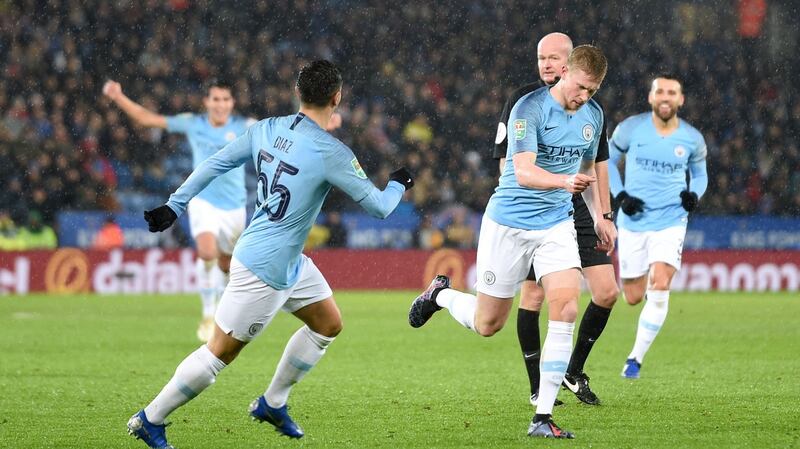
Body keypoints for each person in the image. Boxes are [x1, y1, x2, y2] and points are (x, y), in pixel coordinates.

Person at [126, 60, 414, 449]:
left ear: (298, 93)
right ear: (337, 97)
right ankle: (150, 418)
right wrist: (399, 182)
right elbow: (380, 207)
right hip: (263, 269)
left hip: (286, 260)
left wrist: (175, 205)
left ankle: (272, 402)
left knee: (327, 323)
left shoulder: (264, 128)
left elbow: (215, 163)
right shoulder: (333, 152)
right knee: (218, 354)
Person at [409, 45, 614, 439]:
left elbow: (588, 168)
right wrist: (562, 182)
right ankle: (439, 296)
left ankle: (543, 416)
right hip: (509, 224)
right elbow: (522, 171)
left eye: (593, 90)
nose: (584, 97)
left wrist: (603, 216)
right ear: (566, 72)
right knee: (488, 324)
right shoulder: (529, 108)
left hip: (557, 224)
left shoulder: (593, 115)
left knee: (567, 308)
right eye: (581, 87)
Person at [493, 32, 620, 407]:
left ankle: (572, 370)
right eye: (541, 58)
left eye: (554, 59)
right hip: (533, 203)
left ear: (570, 64)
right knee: (533, 295)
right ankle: (538, 388)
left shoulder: (589, 109)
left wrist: (604, 215)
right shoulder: (524, 101)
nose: (546, 65)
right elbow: (508, 162)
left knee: (607, 292)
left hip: (574, 202)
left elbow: (597, 164)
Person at [103, 78, 255, 342]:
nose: (220, 105)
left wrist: (321, 121)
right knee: (207, 251)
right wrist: (118, 96)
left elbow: (282, 132)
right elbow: (147, 120)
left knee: (226, 264)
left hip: (235, 206)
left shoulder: (246, 127)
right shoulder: (193, 123)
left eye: (225, 99)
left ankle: (223, 311)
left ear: (232, 103)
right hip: (203, 200)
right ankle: (209, 315)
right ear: (206, 102)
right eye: (215, 99)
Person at [608, 74, 707, 379]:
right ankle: (653, 300)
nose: (665, 97)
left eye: (672, 92)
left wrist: (694, 195)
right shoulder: (630, 129)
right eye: (660, 92)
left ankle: (634, 360)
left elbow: (700, 175)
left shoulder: (692, 138)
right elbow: (607, 162)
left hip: (671, 219)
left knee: (661, 282)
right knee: (633, 296)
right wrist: (620, 195)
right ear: (651, 98)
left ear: (681, 100)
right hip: (634, 220)